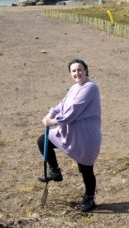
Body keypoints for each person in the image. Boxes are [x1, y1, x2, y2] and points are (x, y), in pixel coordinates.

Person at [36, 58, 102, 212]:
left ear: (86, 70)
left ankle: (89, 199)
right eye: (73, 71)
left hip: (85, 136)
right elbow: (62, 104)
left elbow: (73, 111)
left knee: (86, 169)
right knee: (43, 140)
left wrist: (52, 122)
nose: (77, 73)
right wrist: (50, 113)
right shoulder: (74, 88)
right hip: (69, 132)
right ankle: (55, 172)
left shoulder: (90, 87)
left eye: (79, 70)